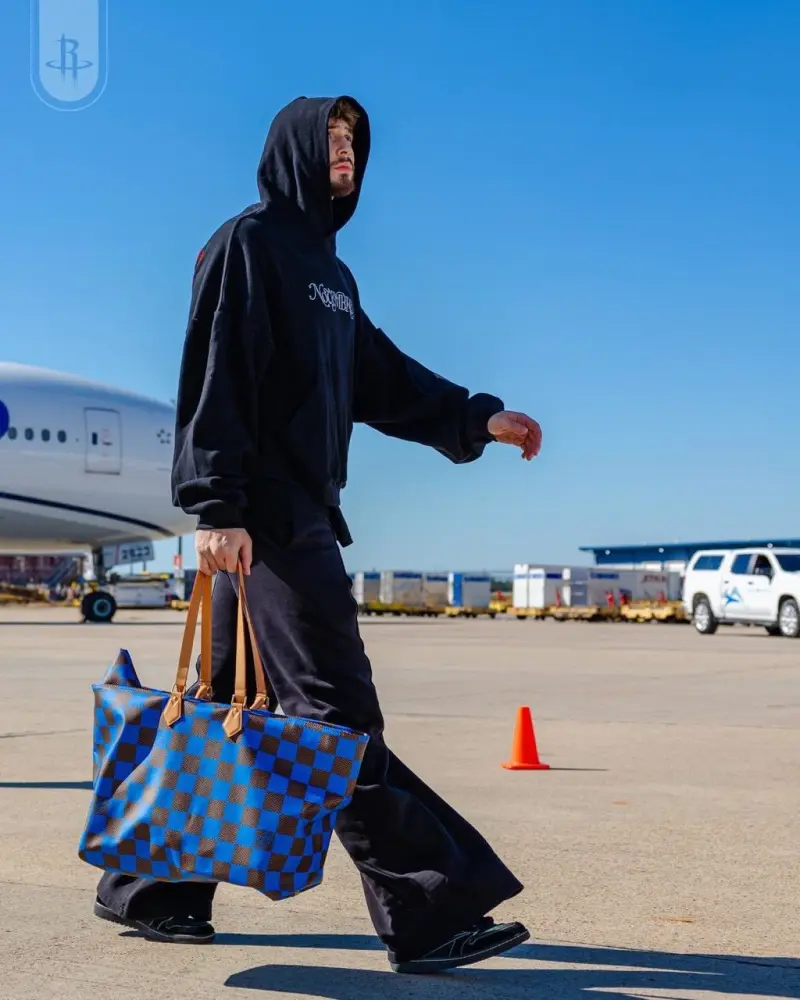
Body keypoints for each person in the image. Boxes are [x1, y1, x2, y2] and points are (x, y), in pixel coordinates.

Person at [94, 95, 543, 975]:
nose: (345, 153)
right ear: (297, 150)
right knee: (337, 720)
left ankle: (154, 888)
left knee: (228, 710)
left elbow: (380, 376)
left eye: (353, 142)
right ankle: (427, 911)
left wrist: (474, 418)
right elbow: (213, 370)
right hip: (263, 520)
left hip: (290, 517)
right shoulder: (248, 244)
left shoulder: (333, 277)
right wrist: (215, 506)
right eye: (331, 140)